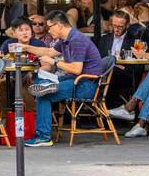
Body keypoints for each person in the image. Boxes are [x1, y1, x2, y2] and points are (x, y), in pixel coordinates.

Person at [23, 10, 104, 147]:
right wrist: (26, 47)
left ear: (59, 25)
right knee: (41, 85)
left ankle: (43, 137)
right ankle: (45, 85)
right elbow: (49, 52)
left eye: (49, 27)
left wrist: (54, 62)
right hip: (73, 81)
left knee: (43, 95)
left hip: (86, 85)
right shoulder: (65, 39)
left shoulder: (77, 39)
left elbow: (76, 69)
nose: (48, 31)